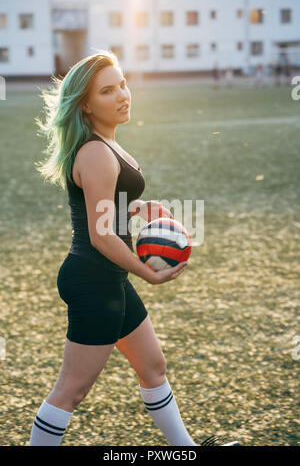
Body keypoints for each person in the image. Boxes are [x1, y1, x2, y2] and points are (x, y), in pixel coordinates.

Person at [29, 50, 240, 446]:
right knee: (70, 391)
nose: (123, 95)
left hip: (107, 278)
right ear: (87, 104)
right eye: (108, 91)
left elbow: (108, 210)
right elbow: (101, 235)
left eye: (123, 84)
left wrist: (137, 208)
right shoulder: (95, 152)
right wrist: (147, 272)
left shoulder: (106, 145)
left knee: (153, 367)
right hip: (93, 281)